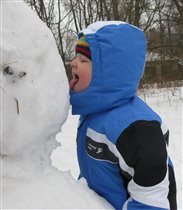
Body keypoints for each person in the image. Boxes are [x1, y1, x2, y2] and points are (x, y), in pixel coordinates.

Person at [69, 21, 177, 210]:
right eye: (76, 56)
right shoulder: (95, 113)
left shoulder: (137, 127)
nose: (73, 63)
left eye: (84, 60)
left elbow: (153, 201)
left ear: (108, 73)